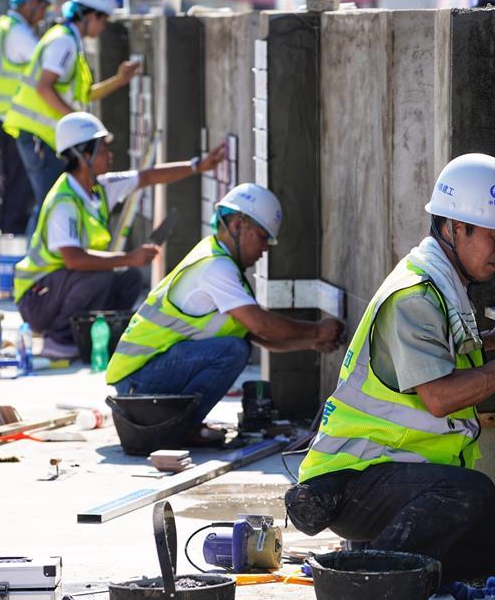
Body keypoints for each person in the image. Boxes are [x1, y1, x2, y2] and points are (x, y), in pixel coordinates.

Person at [285, 154, 495, 585]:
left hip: (393, 477)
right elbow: (439, 398)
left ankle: (391, 569)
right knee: (468, 491)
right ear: (455, 229)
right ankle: (369, 583)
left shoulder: (441, 284)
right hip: (351, 481)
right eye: (494, 237)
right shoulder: (414, 295)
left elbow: (438, 358)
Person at [106, 183, 345, 447]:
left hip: (141, 379)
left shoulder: (221, 262)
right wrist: (317, 330)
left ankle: (184, 424)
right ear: (237, 224)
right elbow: (263, 326)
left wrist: (310, 342)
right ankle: (183, 428)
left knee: (236, 345)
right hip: (138, 383)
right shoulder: (216, 266)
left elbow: (256, 335)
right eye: (262, 235)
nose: (266, 247)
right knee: (233, 350)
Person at [13, 112, 227, 360]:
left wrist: (197, 166)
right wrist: (129, 257)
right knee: (102, 278)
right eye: (103, 149)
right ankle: (60, 340)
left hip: (59, 288)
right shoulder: (65, 202)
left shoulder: (99, 188)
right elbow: (73, 260)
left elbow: (146, 177)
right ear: (84, 155)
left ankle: (97, 338)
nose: (109, 154)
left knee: (129, 278)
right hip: (37, 298)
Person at [3, 0, 140, 236]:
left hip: (44, 136)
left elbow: (83, 95)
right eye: (103, 20)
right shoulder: (63, 42)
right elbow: (44, 87)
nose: (103, 27)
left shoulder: (69, 42)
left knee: (48, 202)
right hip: (39, 136)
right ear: (90, 15)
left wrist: (119, 80)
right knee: (48, 203)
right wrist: (81, 129)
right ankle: (35, 270)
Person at [0, 0, 56, 234]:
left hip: (4, 117)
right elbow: (43, 62)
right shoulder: (17, 31)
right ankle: (12, 240)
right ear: (32, 4)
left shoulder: (5, 26)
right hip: (13, 119)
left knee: (13, 184)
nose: (42, 16)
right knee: (19, 186)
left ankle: (9, 239)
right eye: (43, 9)